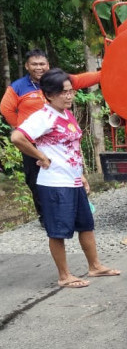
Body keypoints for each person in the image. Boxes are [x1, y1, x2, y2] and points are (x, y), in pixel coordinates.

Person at [10, 68, 119, 288]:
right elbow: (17, 137)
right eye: (63, 93)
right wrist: (41, 156)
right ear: (49, 95)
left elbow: (72, 148)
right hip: (55, 183)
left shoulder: (66, 113)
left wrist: (82, 175)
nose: (69, 96)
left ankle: (95, 266)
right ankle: (64, 276)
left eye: (70, 91)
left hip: (73, 180)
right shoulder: (43, 116)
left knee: (86, 225)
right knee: (58, 231)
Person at [1, 49, 101, 227]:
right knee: (36, 180)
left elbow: (82, 79)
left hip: (59, 142)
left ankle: (69, 213)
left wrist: (104, 74)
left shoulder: (59, 81)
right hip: (32, 142)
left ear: (48, 64)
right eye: (34, 64)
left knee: (65, 176)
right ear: (27, 66)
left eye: (42, 64)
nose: (39, 67)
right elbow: (6, 108)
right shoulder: (17, 86)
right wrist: (21, 126)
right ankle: (45, 217)